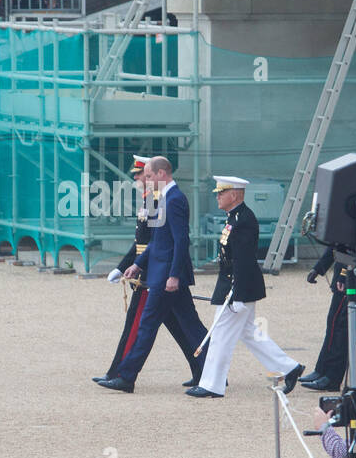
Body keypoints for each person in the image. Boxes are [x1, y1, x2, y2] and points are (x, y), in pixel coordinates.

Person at [186, 176, 303, 398]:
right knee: (250, 333)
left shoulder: (244, 220)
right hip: (234, 284)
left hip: (236, 287)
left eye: (222, 192)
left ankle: (212, 384)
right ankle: (290, 368)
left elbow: (244, 260)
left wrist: (236, 294)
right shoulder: (234, 217)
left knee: (220, 335)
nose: (218, 196)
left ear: (235, 195)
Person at [98, 156, 207, 393]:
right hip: (159, 271)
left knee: (147, 325)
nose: (145, 180)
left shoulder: (174, 198)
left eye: (148, 176)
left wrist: (174, 275)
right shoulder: (163, 198)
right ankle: (209, 370)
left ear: (161, 174)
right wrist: (137, 264)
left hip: (165, 275)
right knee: (190, 326)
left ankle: (126, 376)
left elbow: (180, 241)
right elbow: (157, 242)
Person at [301, 246, 356, 393]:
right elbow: (337, 245)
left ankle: (332, 376)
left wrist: (343, 275)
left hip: (355, 279)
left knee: (344, 330)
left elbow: (351, 248)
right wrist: (319, 268)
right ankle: (324, 370)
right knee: (335, 326)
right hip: (346, 277)